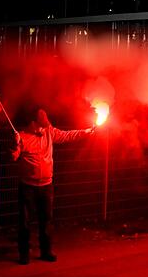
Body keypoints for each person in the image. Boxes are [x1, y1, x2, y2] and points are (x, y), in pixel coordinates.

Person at [11, 107, 94, 264]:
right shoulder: (22, 137)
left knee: (46, 220)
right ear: (34, 121)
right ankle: (24, 254)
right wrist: (14, 146)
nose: (46, 121)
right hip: (27, 186)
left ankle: (46, 251)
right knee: (24, 221)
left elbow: (67, 135)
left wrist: (86, 132)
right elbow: (13, 157)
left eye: (46, 118)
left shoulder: (49, 132)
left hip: (46, 185)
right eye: (43, 118)